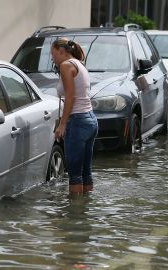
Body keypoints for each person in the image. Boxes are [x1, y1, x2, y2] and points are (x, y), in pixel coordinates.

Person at [51, 38, 98, 195]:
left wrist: (62, 124)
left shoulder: (66, 66)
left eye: (53, 54)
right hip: (90, 120)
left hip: (77, 122)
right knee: (86, 172)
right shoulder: (79, 64)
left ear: (61, 51)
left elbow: (70, 97)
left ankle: (74, 216)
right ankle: (85, 211)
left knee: (75, 175)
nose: (52, 58)